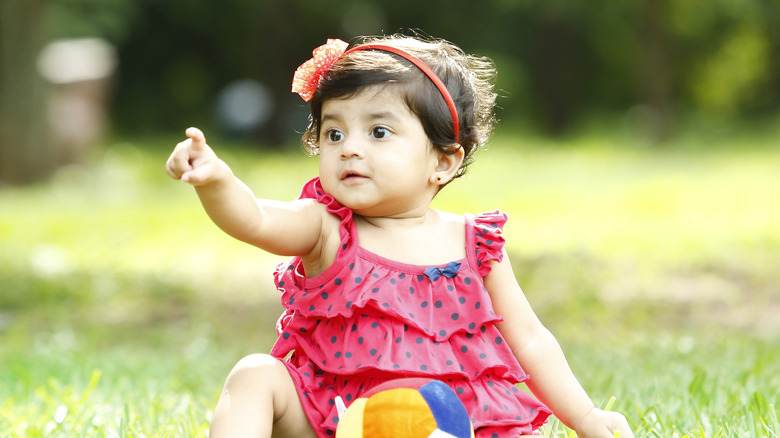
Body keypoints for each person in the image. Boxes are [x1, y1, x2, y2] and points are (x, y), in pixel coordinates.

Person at [166, 34, 633, 438]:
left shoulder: (474, 244)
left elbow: (529, 340)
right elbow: (255, 219)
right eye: (333, 133)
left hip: (452, 424)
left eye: (379, 131)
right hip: (334, 419)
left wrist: (585, 416)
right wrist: (216, 181)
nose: (349, 147)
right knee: (254, 375)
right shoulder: (326, 228)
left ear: (443, 161)